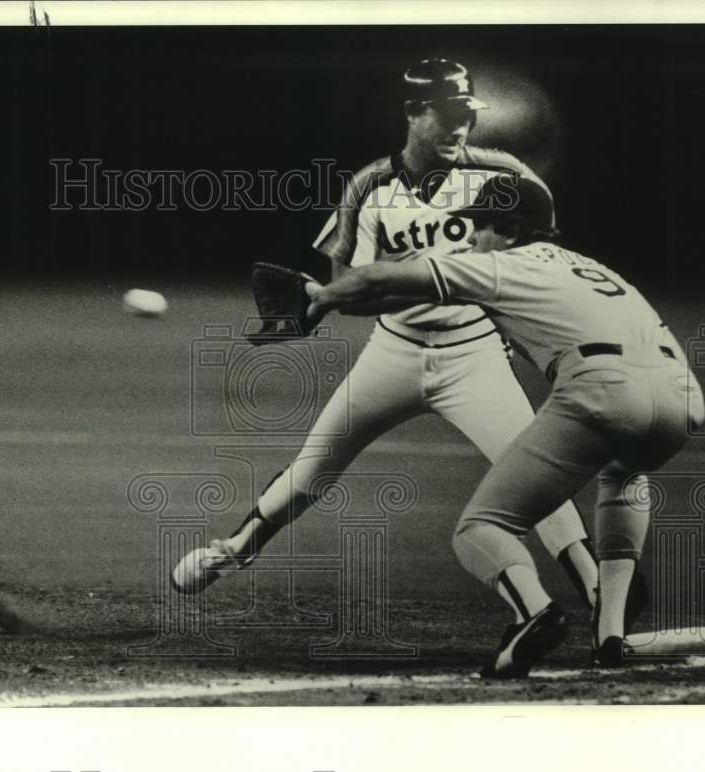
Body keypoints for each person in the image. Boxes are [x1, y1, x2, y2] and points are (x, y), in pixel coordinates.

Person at [173, 58, 610, 623]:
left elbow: (535, 271)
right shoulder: (370, 188)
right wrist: (325, 299)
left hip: (473, 354)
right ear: (412, 112)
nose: (460, 127)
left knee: (529, 472)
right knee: (314, 470)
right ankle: (232, 550)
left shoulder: (507, 177)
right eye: (447, 114)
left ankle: (600, 592)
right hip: (394, 354)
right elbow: (347, 288)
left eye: (467, 115)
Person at [303, 173, 705, 676]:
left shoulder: (502, 265)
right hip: (681, 396)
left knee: (480, 528)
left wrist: (323, 294)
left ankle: (534, 612)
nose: (471, 238)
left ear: (511, 230)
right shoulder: (591, 266)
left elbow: (382, 278)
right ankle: (611, 636)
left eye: (480, 226)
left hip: (604, 388)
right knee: (624, 472)